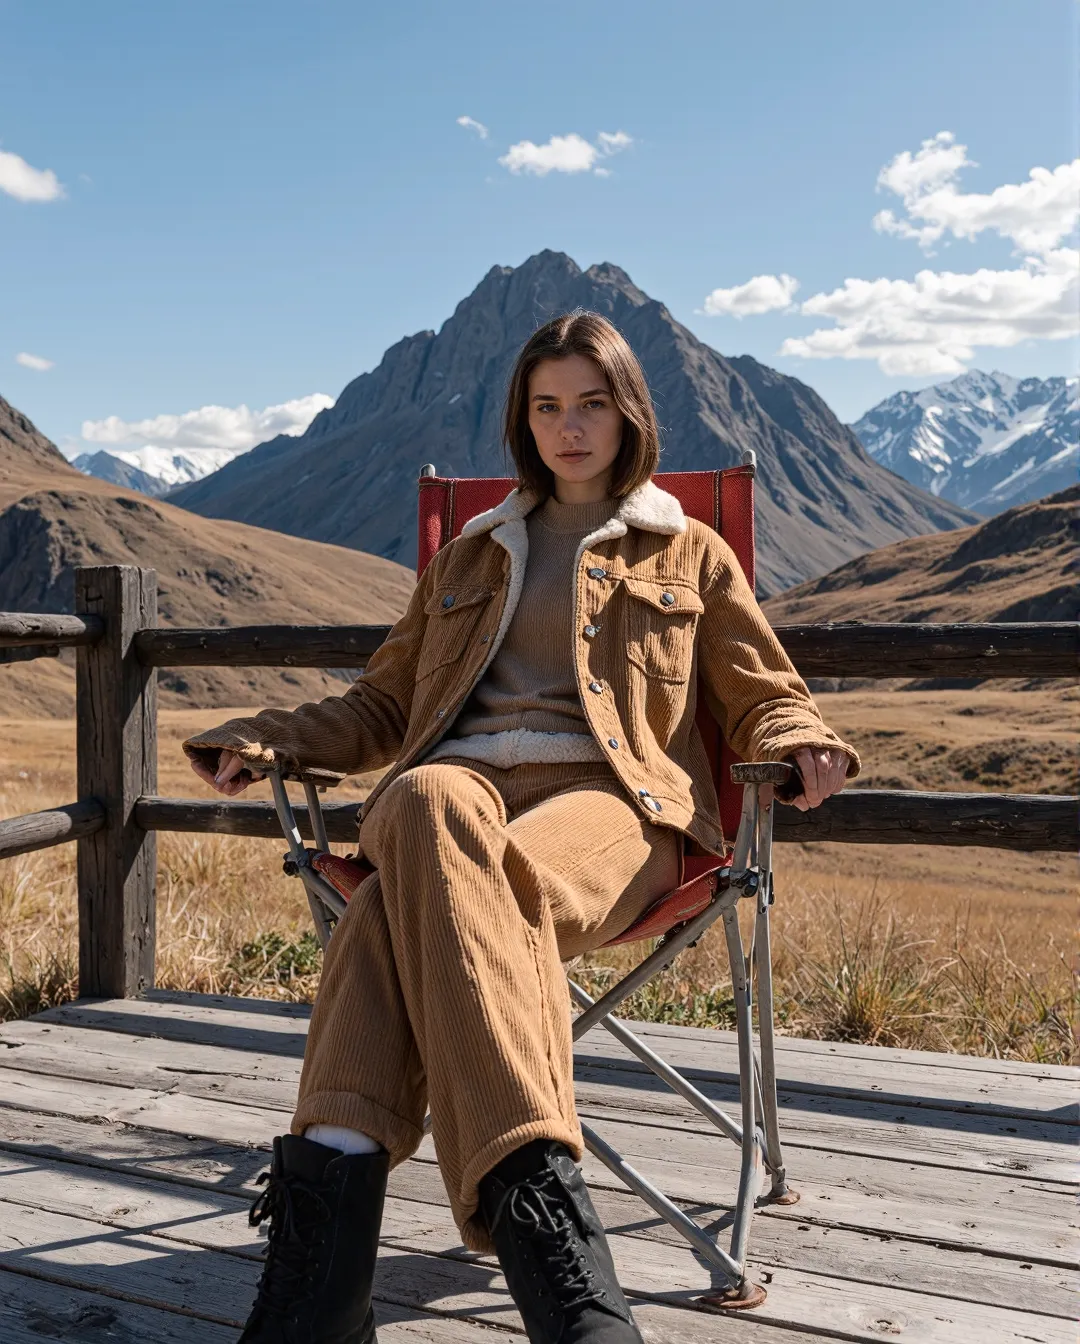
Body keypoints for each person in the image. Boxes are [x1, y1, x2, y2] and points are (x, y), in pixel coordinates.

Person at [184, 310, 859, 1344]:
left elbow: (763, 690)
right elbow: (382, 707)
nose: (569, 428)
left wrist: (801, 737)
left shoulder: (690, 552)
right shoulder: (468, 556)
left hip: (613, 805)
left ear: (628, 414)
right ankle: (555, 1259)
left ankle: (315, 1297)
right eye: (547, 407)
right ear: (523, 420)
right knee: (425, 799)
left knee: (410, 905)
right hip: (451, 799)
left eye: (590, 404)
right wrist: (273, 738)